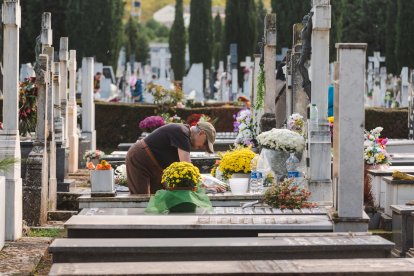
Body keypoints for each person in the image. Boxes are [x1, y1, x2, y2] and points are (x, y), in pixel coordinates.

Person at [126, 121, 216, 194]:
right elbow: (187, 167)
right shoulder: (182, 132)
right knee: (141, 200)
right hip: (140, 159)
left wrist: (204, 186)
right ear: (202, 133)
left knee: (157, 200)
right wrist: (203, 186)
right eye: (205, 144)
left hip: (155, 166)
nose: (202, 147)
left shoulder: (184, 134)